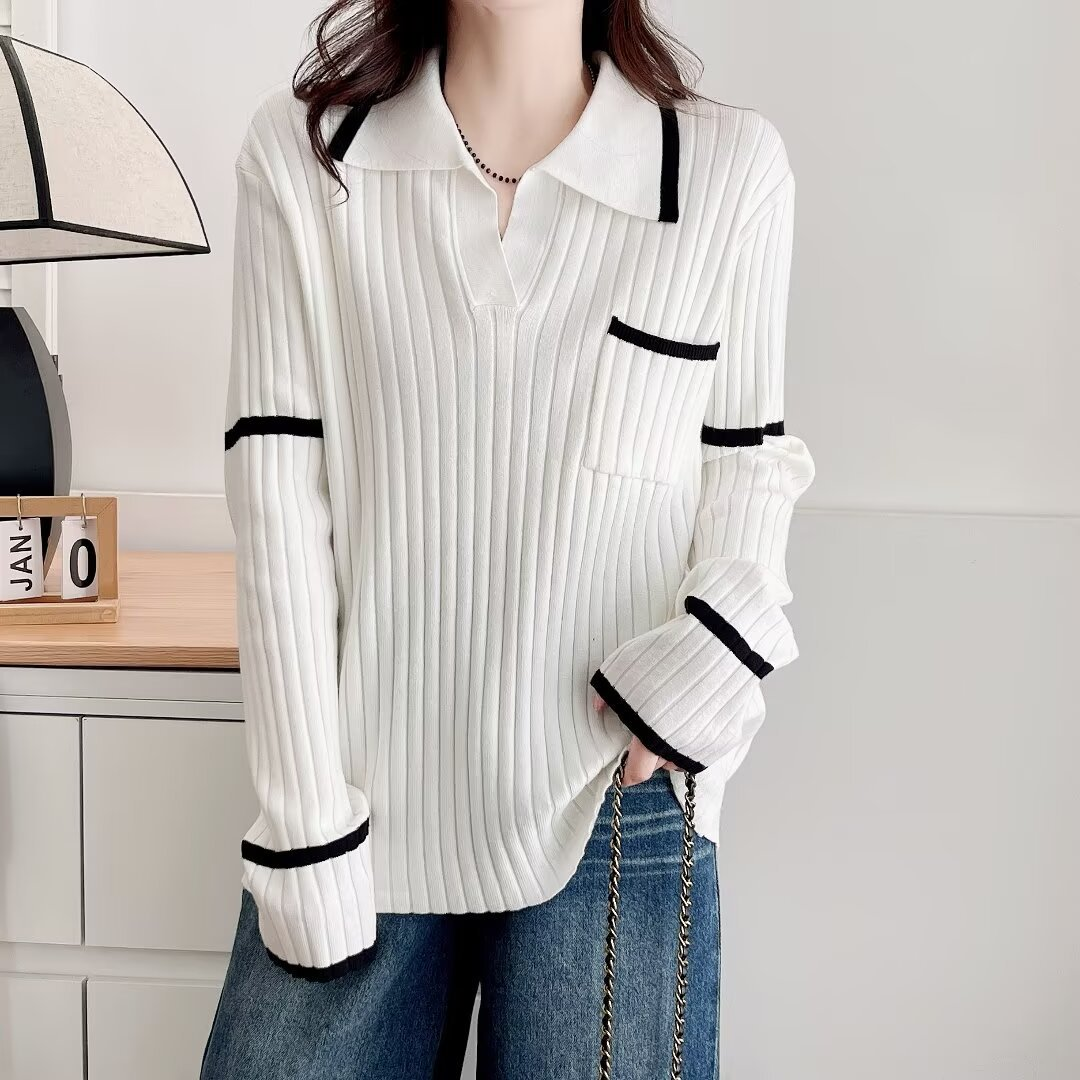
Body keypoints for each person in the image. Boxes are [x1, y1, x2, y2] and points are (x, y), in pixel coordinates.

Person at [201, 1, 815, 1077]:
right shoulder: (310, 159)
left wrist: (705, 670)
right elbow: (278, 502)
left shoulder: (723, 169)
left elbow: (748, 459)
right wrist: (305, 824)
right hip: (363, 809)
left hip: (614, 798)